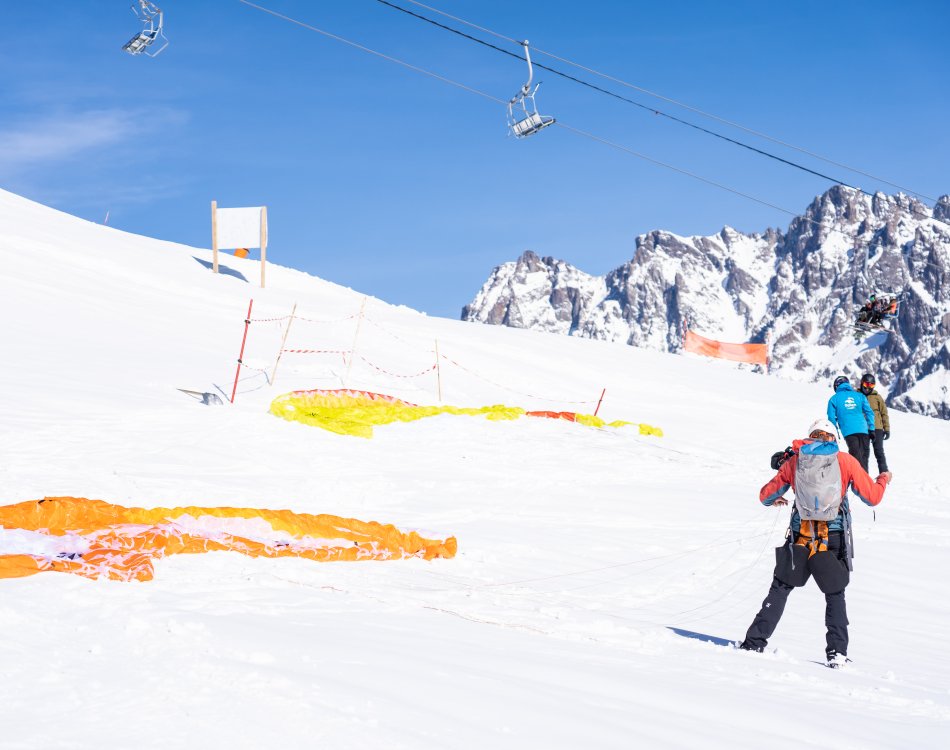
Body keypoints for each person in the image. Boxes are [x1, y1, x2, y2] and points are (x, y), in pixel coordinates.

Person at [738, 418, 892, 667]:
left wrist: (775, 499)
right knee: (835, 593)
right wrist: (883, 479)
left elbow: (765, 495)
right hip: (833, 537)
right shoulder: (845, 461)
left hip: (800, 535)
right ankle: (837, 654)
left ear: (811, 436)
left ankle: (754, 642)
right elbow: (872, 498)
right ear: (833, 438)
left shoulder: (796, 460)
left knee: (780, 588)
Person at [827, 375, 875, 471]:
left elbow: (831, 418)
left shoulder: (834, 399)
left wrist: (835, 433)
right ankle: (864, 479)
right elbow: (869, 412)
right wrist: (872, 429)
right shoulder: (860, 396)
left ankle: (859, 479)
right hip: (864, 430)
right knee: (864, 458)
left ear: (836, 386)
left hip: (848, 431)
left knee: (855, 457)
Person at [860, 373, 890, 473]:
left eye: (871, 385)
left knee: (879, 452)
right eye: (866, 384)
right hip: (862, 428)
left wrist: (887, 429)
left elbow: (884, 413)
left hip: (877, 428)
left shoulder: (877, 397)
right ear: (861, 383)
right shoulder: (857, 396)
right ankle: (863, 476)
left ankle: (884, 473)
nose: (868, 388)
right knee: (863, 453)